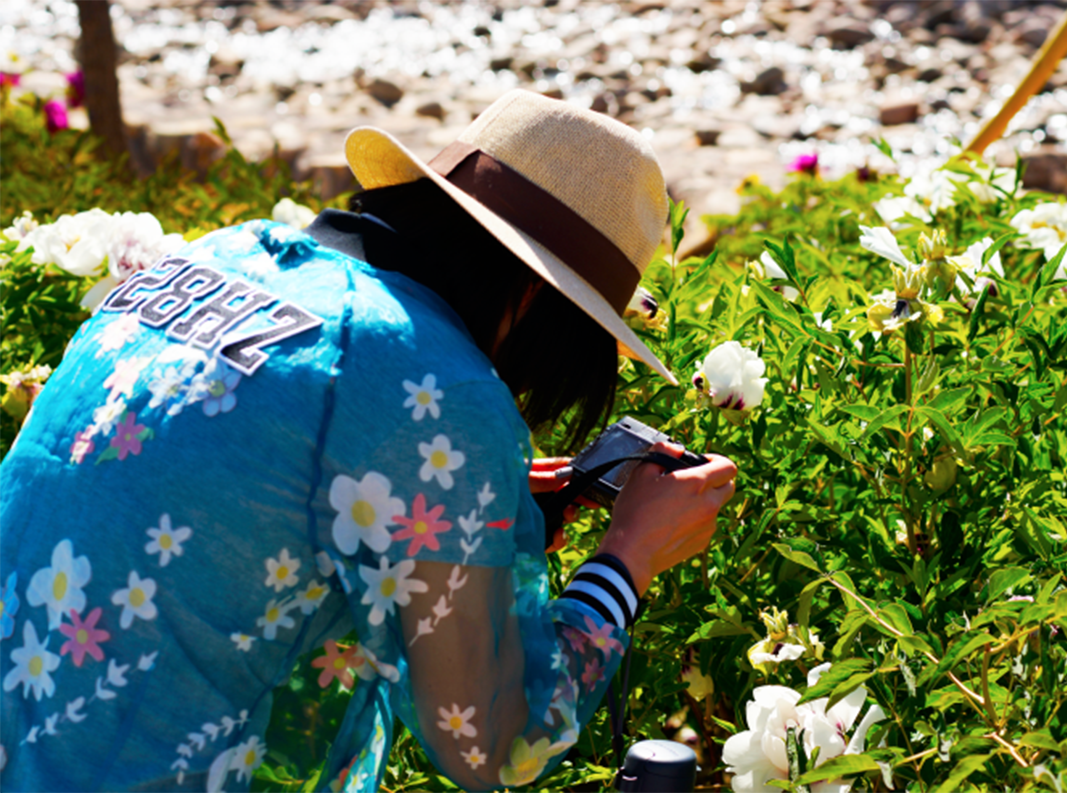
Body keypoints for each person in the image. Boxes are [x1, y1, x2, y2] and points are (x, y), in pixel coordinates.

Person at [0, 89, 737, 792]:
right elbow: (494, 739)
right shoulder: (433, 382)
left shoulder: (218, 257)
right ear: (536, 294)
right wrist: (629, 555)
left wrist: (466, 517)